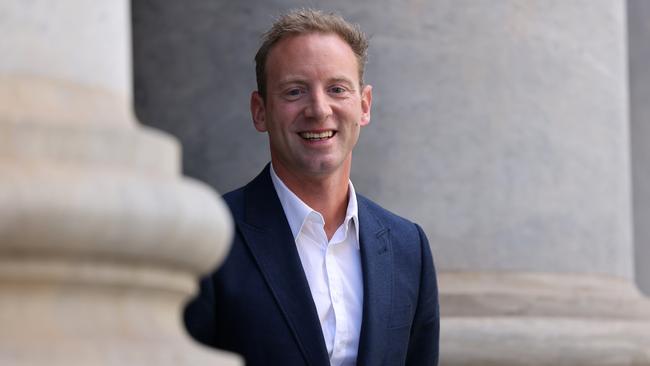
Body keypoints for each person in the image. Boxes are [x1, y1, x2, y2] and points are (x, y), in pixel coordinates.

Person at [184, 8, 439, 366]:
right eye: (294, 91)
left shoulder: (407, 247)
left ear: (364, 106)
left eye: (337, 89)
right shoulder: (207, 239)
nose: (319, 109)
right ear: (260, 111)